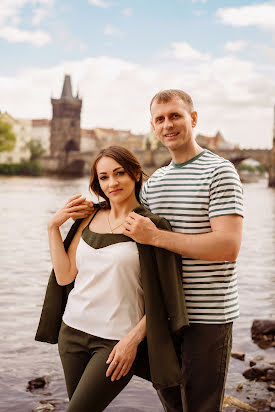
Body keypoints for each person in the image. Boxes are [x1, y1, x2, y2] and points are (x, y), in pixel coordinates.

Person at [35, 145, 188, 412]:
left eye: (119, 173)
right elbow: (65, 276)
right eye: (104, 177)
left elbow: (167, 298)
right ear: (97, 183)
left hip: (114, 342)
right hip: (71, 333)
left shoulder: (151, 226)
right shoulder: (88, 217)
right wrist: (52, 227)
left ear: (135, 174)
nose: (112, 182)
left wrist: (132, 341)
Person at [123, 90, 244, 412]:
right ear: (152, 126)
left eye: (175, 115)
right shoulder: (153, 183)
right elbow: (137, 248)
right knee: (173, 405)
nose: (168, 125)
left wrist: (158, 237)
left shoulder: (220, 171)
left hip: (206, 314)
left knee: (201, 406)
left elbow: (227, 247)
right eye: (160, 119)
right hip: (162, 314)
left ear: (193, 118)